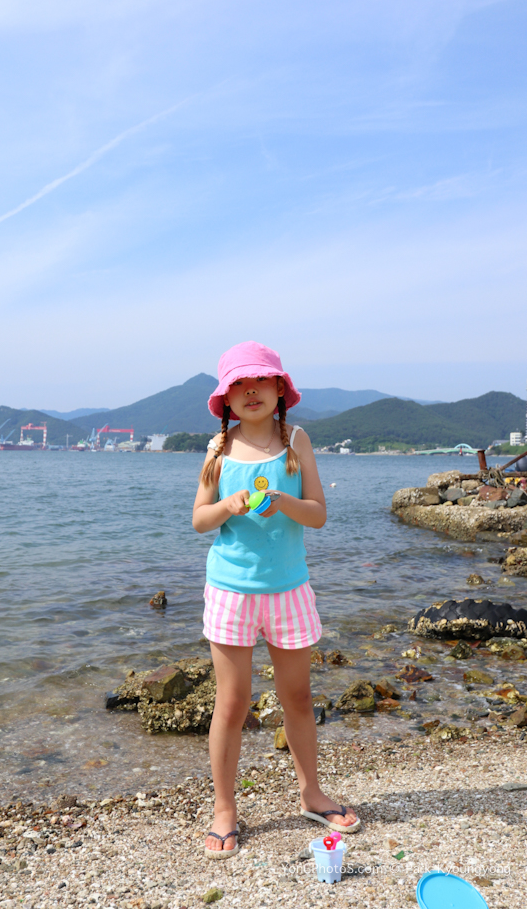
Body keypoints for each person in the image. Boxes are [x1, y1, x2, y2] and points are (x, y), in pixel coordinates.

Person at [192, 341, 360, 860]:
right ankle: (225, 809)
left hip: (289, 589)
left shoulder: (296, 440)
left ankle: (312, 794)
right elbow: (199, 519)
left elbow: (318, 514)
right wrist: (227, 504)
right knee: (231, 702)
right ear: (226, 399)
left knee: (298, 698)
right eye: (238, 385)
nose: (250, 392)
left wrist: (284, 501)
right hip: (231, 591)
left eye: (260, 381)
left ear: (279, 389)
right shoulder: (218, 447)